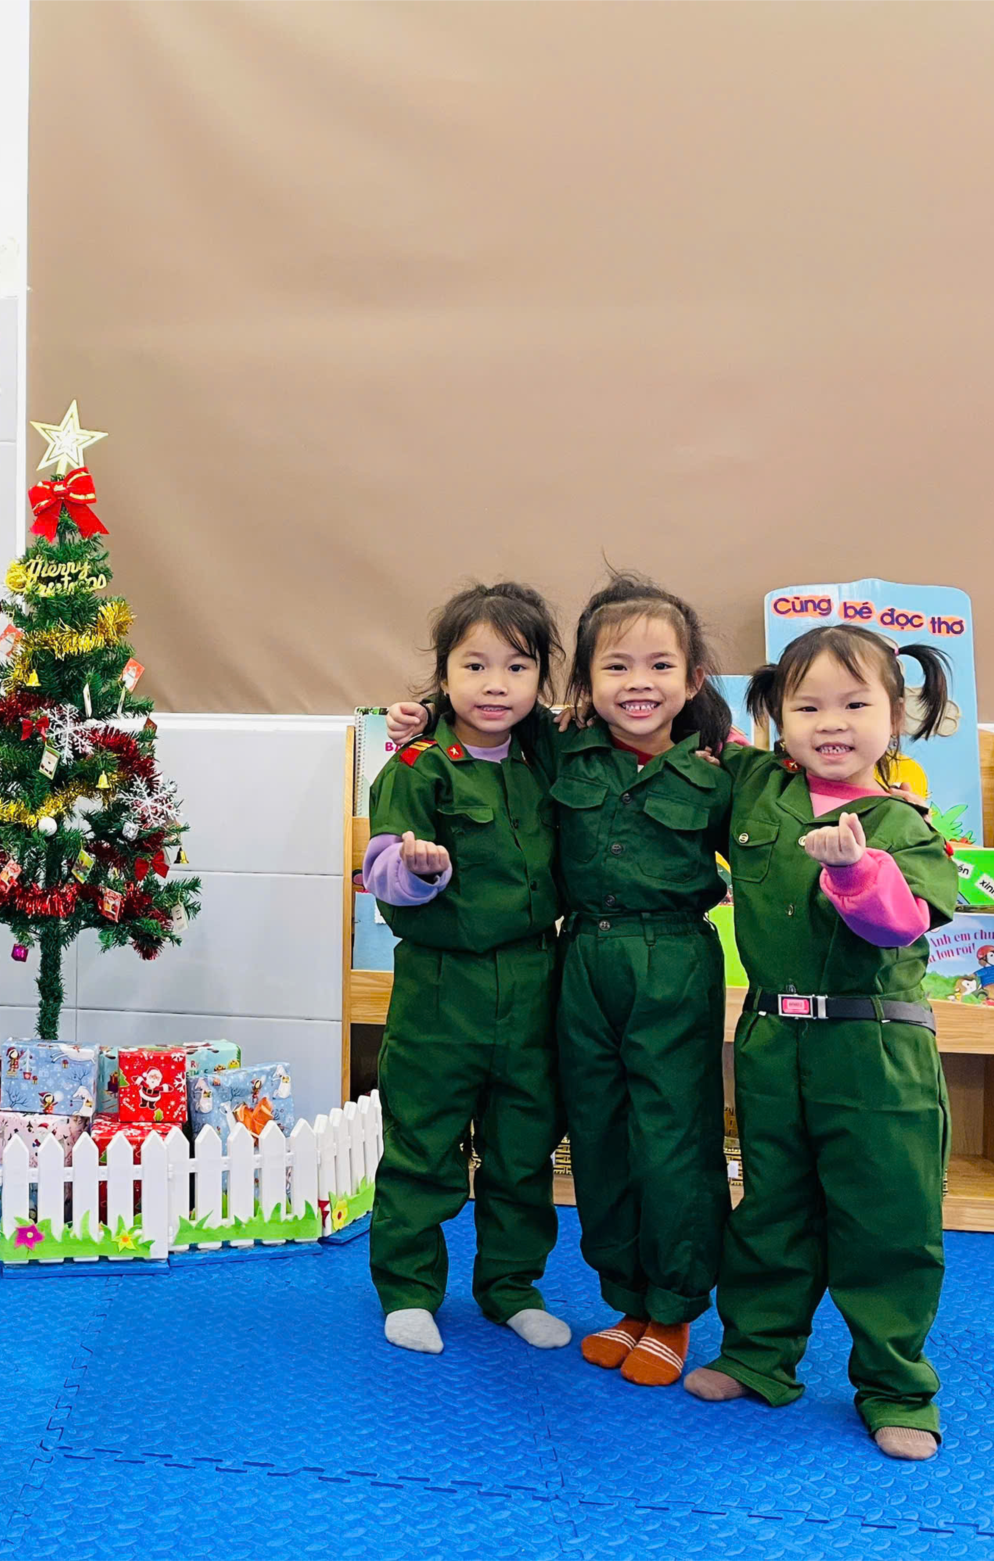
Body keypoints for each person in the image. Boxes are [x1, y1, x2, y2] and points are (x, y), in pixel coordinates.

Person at [385, 575, 734, 1387]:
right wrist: (423, 720)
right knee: (552, 1139)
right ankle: (434, 1290)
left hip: (619, 970)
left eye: (659, 665)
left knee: (599, 1144)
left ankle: (618, 1301)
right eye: (615, 666)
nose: (638, 683)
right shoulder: (504, 754)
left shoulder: (704, 768)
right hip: (531, 971)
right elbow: (400, 836)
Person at [682, 625, 959, 1462]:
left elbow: (901, 921)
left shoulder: (904, 824)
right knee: (771, 1205)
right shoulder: (757, 785)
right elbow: (677, 725)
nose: (830, 723)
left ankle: (896, 1386)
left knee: (887, 1219)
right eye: (807, 707)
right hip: (772, 1038)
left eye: (855, 704)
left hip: (875, 1047)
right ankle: (757, 1355)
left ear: (896, 716)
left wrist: (853, 870)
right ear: (777, 717)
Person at [362, 582, 568, 1357]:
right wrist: (418, 870)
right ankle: (409, 1289)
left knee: (524, 1147)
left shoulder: (544, 756)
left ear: (539, 677)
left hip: (534, 981)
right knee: (423, 1143)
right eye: (474, 665)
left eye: (516, 667)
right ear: (443, 673)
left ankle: (511, 1287)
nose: (495, 684)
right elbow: (381, 868)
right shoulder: (418, 765)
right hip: (442, 987)